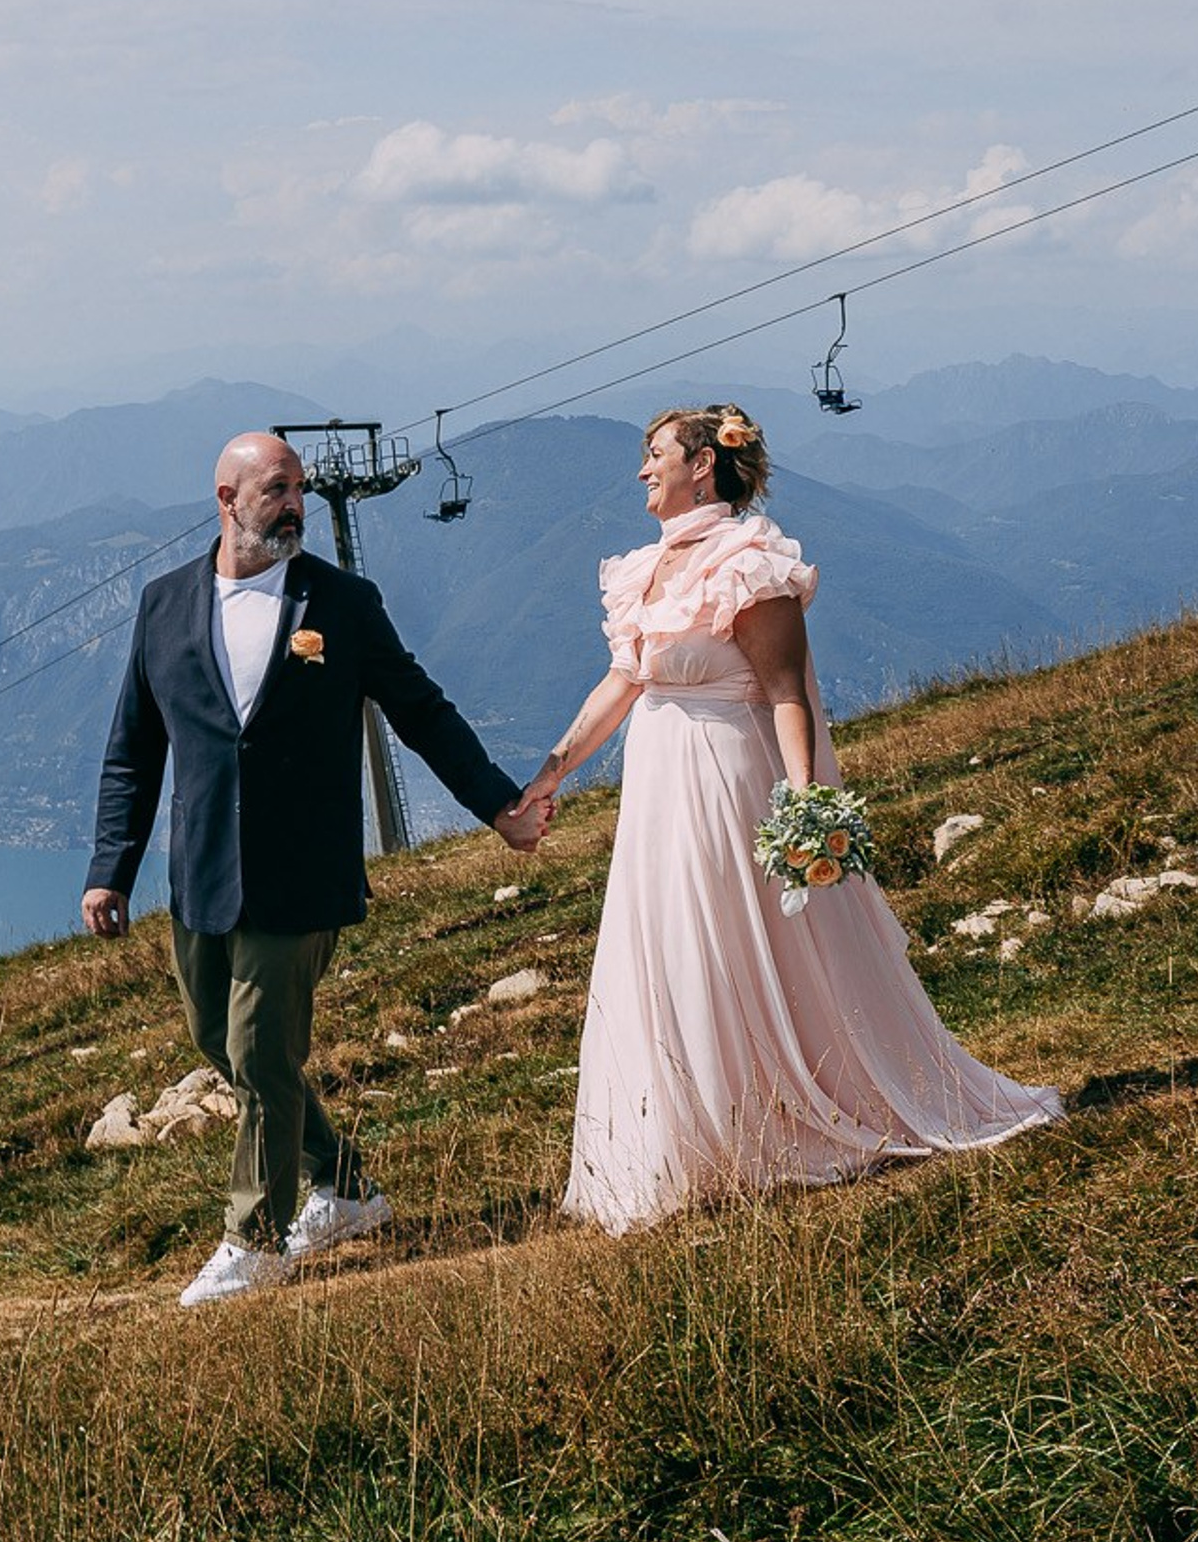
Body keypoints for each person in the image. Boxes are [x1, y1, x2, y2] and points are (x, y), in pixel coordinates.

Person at [522, 403, 1061, 1233]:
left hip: (726, 780)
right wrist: (553, 771)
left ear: (702, 464)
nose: (642, 470)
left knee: (732, 942)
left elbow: (784, 690)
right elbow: (621, 685)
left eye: (655, 454)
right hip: (657, 791)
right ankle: (692, 1140)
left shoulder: (748, 561)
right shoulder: (645, 570)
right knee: (666, 945)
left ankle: (785, 1115)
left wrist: (805, 799)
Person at [85, 432, 547, 1305]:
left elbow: (423, 712)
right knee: (219, 1045)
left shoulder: (343, 602)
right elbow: (133, 752)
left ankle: (256, 1240)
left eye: (298, 488)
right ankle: (346, 1188)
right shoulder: (162, 605)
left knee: (261, 1051)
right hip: (203, 876)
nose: (295, 503)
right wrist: (111, 869)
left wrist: (500, 807)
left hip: (303, 875)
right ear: (226, 500)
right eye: (276, 490)